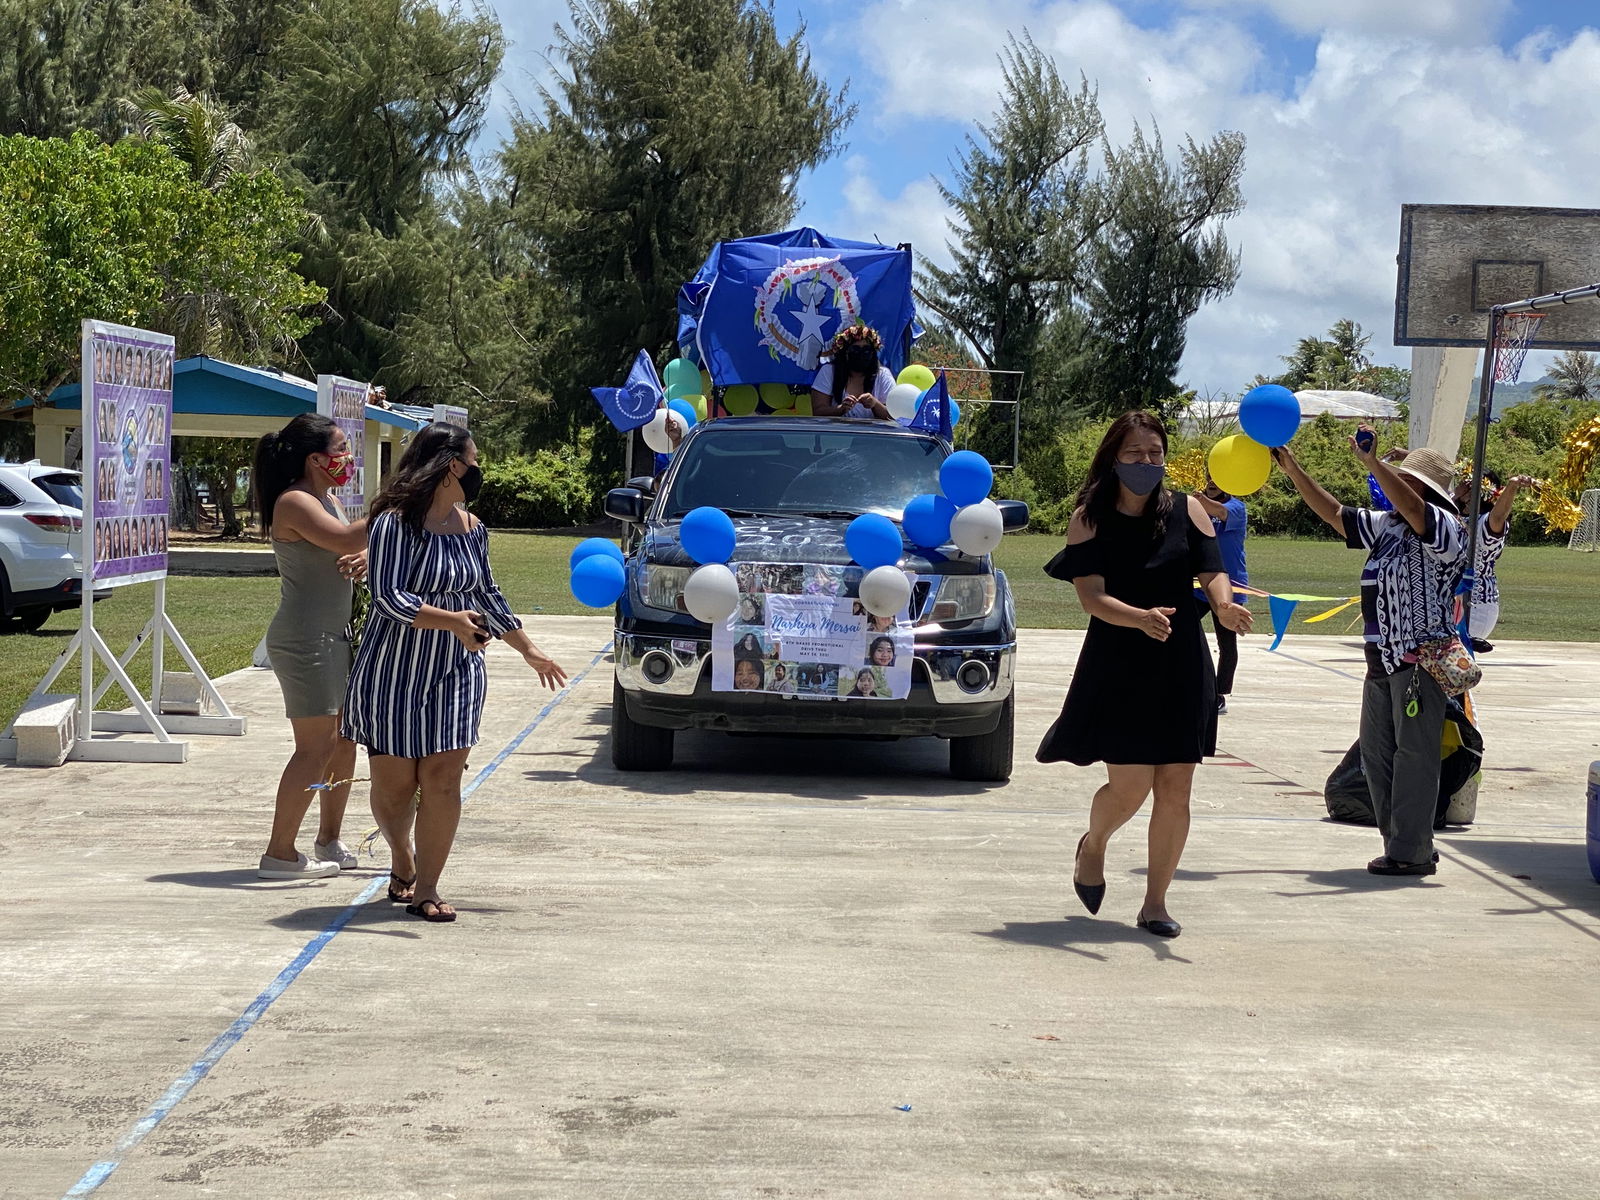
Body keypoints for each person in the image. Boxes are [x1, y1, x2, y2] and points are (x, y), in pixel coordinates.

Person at [1036, 411, 1253, 939]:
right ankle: (1094, 845)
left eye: (1154, 454)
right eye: (1134, 454)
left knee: (1176, 787)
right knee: (1130, 787)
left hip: (1180, 660)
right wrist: (1140, 618)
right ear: (1113, 457)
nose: (1146, 463)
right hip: (1120, 659)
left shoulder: (1191, 510)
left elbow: (1212, 570)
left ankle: (1155, 903)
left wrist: (1223, 606)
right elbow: (1091, 597)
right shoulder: (1089, 517)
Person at [343, 422, 566, 922]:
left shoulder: (473, 528)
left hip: (456, 670)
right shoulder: (394, 524)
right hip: (395, 670)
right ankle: (402, 857)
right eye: (474, 460)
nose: (479, 470)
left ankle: (427, 887)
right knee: (395, 789)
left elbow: (486, 593)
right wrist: (451, 621)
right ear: (450, 466)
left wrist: (528, 649)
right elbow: (389, 597)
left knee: (443, 781)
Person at [1271, 429, 1466, 878]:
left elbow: (1416, 509)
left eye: (1406, 480)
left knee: (1413, 758)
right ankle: (1405, 843)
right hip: (1380, 660)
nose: (1397, 486)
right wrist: (1294, 470)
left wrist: (1374, 464)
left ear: (1424, 488)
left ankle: (1412, 852)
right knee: (1378, 757)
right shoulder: (1388, 526)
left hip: (1419, 661)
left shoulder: (1444, 526)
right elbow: (1335, 513)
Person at [251, 414, 372, 880]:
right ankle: (279, 854)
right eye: (342, 449)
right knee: (313, 749)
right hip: (306, 641)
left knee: (342, 745)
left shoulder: (328, 499)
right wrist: (396, 502)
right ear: (316, 459)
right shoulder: (295, 501)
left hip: (333, 638)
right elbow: (344, 537)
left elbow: (346, 547)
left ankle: (328, 840)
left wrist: (365, 556)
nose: (348, 458)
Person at [1458, 469, 1533, 652]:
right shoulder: (1459, 516)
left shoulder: (1485, 523)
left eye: (1464, 484)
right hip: (1458, 603)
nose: (1458, 486)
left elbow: (1499, 515)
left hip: (1476, 606)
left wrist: (1512, 486)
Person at [1192, 478, 1249, 713]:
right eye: (1208, 478)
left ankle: (1219, 695)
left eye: (1218, 479)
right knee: (1179, 628)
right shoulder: (1195, 506)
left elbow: (1220, 512)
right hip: (1198, 585)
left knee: (1227, 644)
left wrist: (1198, 501)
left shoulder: (1237, 507)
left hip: (1230, 586)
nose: (1211, 483)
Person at [809, 324, 895, 419]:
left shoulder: (883, 375)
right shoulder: (829, 371)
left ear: (873, 354)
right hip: (836, 432)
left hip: (872, 433)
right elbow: (818, 411)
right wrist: (840, 409)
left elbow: (893, 416)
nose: (861, 354)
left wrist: (874, 404)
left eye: (866, 350)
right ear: (844, 352)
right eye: (855, 350)